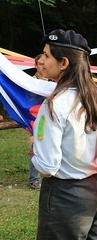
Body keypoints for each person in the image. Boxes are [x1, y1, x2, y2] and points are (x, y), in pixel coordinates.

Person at [32, 29, 97, 240]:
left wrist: (35, 150)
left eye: (47, 55)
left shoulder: (55, 103)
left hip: (66, 196)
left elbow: (48, 166)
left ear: (64, 62)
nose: (42, 61)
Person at [28, 54, 48, 189]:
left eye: (44, 63)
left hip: (49, 119)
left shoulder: (52, 81)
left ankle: (48, 172)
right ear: (35, 65)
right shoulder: (29, 82)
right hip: (35, 119)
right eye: (39, 63)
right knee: (35, 146)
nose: (42, 66)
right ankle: (34, 179)